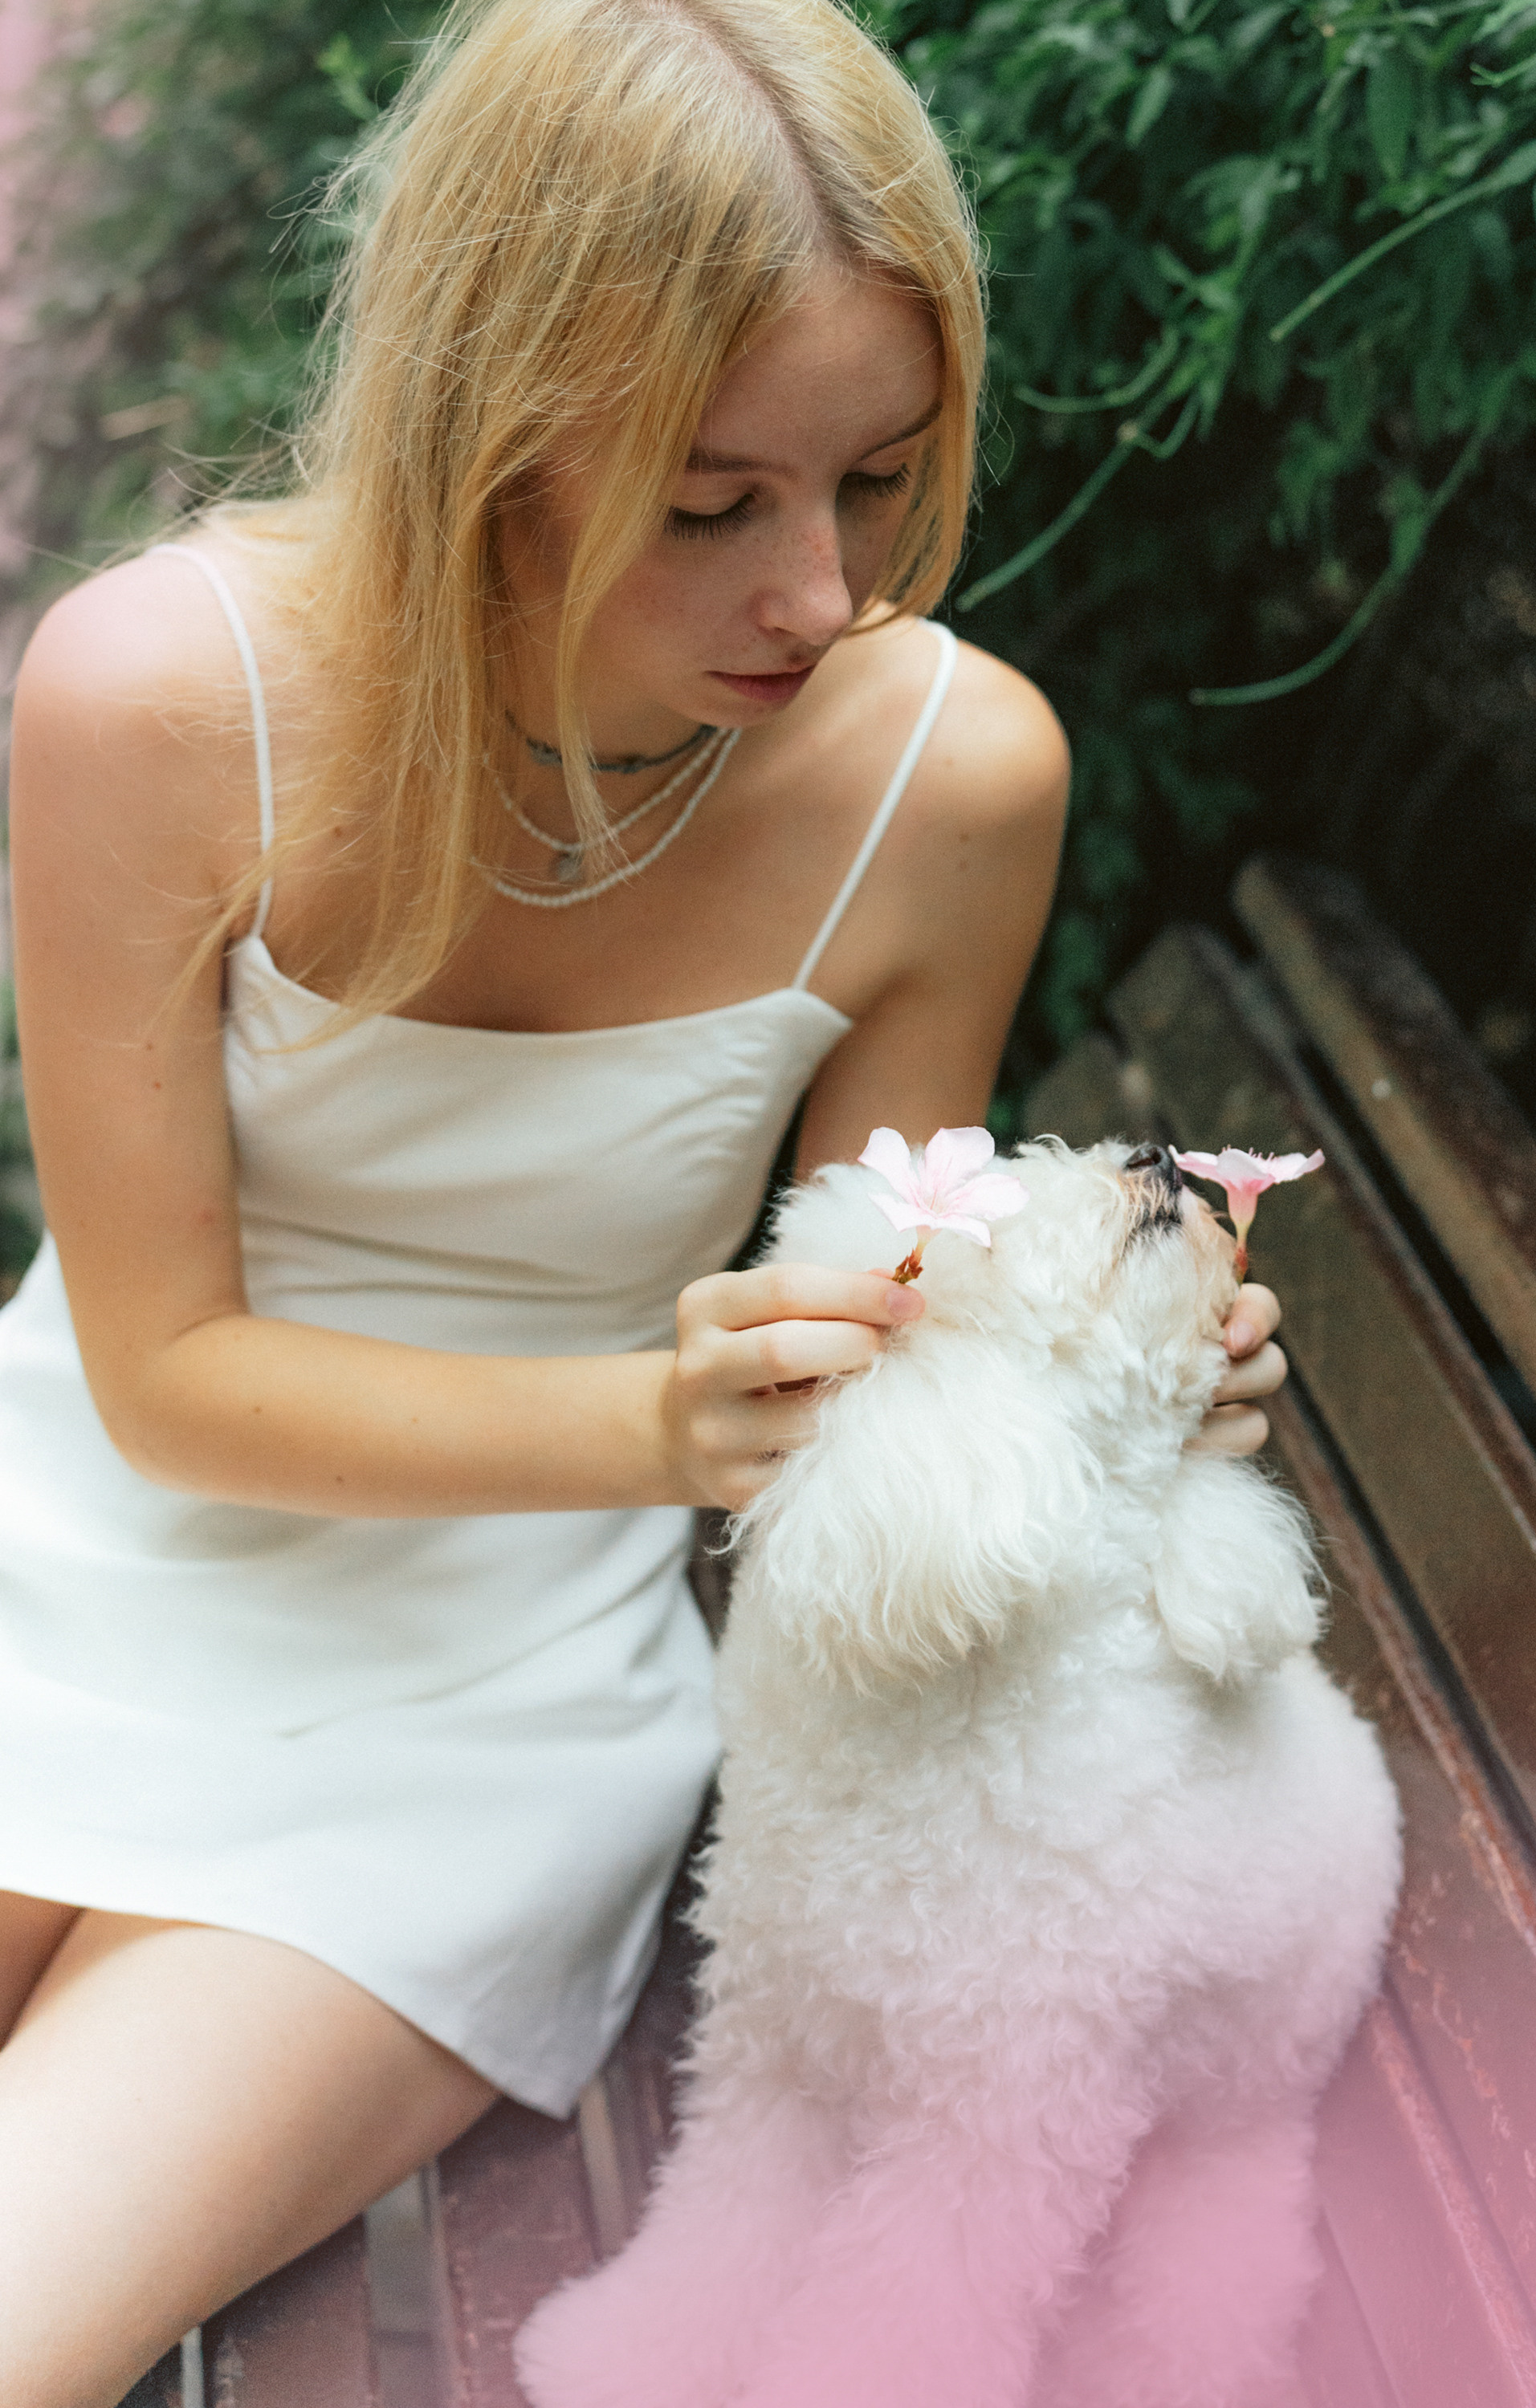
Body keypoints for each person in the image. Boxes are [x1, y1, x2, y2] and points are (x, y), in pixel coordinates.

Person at [0, 0, 1286, 2397]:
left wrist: (1114, 1344)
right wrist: (658, 1424)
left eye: (879, 482)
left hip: (469, 1721)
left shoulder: (951, 777)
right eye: (713, 505)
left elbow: (882, 1296)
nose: (820, 593)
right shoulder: (156, 703)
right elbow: (159, 1380)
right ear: (490, 436)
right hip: (63, 1541)